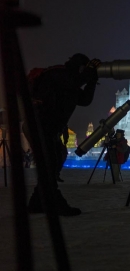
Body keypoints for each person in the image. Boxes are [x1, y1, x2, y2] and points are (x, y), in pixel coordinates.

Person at [26, 53, 100, 216]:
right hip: (40, 125)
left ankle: (37, 202)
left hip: (51, 128)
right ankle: (55, 203)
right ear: (79, 67)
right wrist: (90, 74)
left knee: (56, 158)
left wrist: (93, 80)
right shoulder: (58, 74)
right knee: (51, 162)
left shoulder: (69, 83)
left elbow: (85, 100)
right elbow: (73, 83)